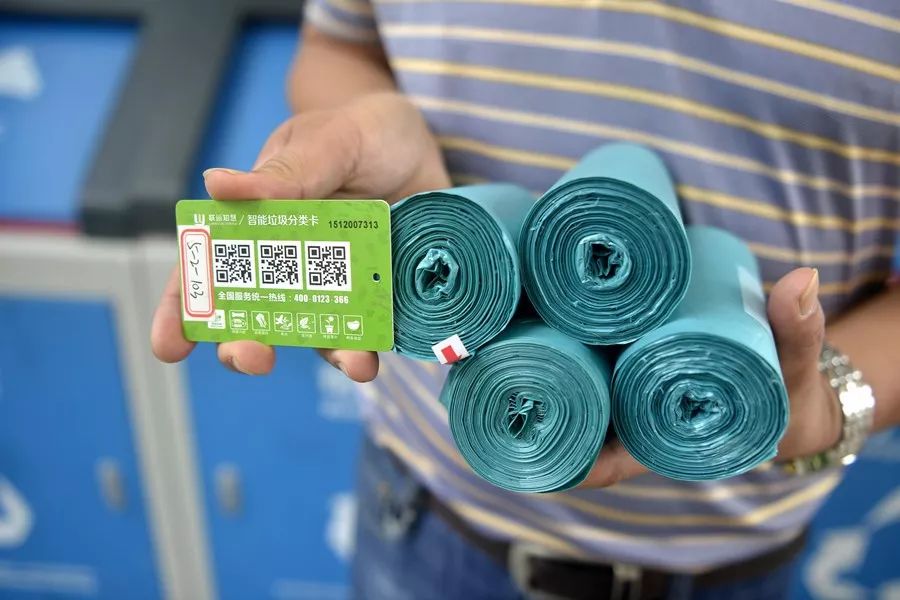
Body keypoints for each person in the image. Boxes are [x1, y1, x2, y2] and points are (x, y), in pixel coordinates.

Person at [151, 1, 900, 598]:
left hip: (725, 561)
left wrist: (836, 397)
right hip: (427, 513)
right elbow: (337, 42)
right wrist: (365, 126)